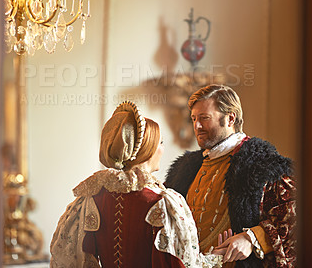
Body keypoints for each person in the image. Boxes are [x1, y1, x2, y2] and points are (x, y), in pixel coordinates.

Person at [50, 101, 223, 268]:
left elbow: (70, 258)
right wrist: (216, 257)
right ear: (147, 149)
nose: (163, 148)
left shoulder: (89, 199)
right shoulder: (164, 202)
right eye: (160, 142)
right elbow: (182, 264)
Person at [165, 85, 296, 268]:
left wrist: (253, 238)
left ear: (230, 118)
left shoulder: (264, 165)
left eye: (204, 118)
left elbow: (297, 220)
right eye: (194, 119)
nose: (197, 126)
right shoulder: (185, 169)